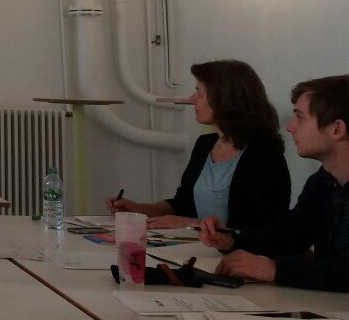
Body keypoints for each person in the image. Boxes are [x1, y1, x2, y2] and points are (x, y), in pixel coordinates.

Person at [199, 74, 349, 292]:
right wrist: (232, 240)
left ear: (337, 129)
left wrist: (275, 270)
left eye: (300, 118)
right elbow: (290, 235)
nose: (290, 127)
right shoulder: (323, 181)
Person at [108, 60, 290, 230]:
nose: (192, 99)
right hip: (197, 247)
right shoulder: (205, 144)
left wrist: (190, 223)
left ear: (225, 99)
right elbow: (182, 203)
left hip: (238, 252)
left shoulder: (264, 153)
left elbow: (266, 227)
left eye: (200, 93)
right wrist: (138, 208)